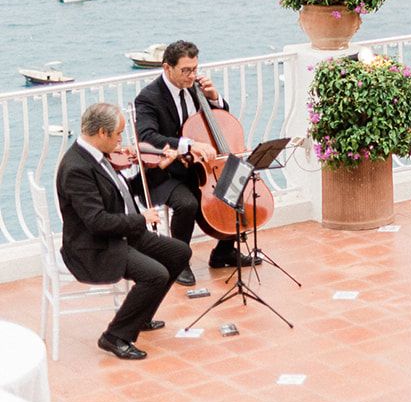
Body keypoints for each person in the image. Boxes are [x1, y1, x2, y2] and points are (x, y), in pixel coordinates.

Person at [57, 102, 190, 360]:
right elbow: (97, 222)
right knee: (155, 274)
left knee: (179, 252)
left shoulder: (98, 156)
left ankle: (141, 316)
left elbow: (124, 191)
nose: (122, 140)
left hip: (120, 235)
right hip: (95, 246)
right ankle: (115, 336)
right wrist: (141, 219)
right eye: (118, 134)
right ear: (102, 133)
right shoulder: (77, 169)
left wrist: (155, 169)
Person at [133, 39, 259, 285]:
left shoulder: (195, 88)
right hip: (166, 173)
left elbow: (219, 119)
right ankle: (178, 261)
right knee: (187, 204)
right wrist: (188, 144)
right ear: (167, 68)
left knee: (238, 184)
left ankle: (223, 252)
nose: (192, 76)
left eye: (195, 69)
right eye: (185, 71)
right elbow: (147, 138)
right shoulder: (148, 98)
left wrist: (214, 99)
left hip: (200, 169)